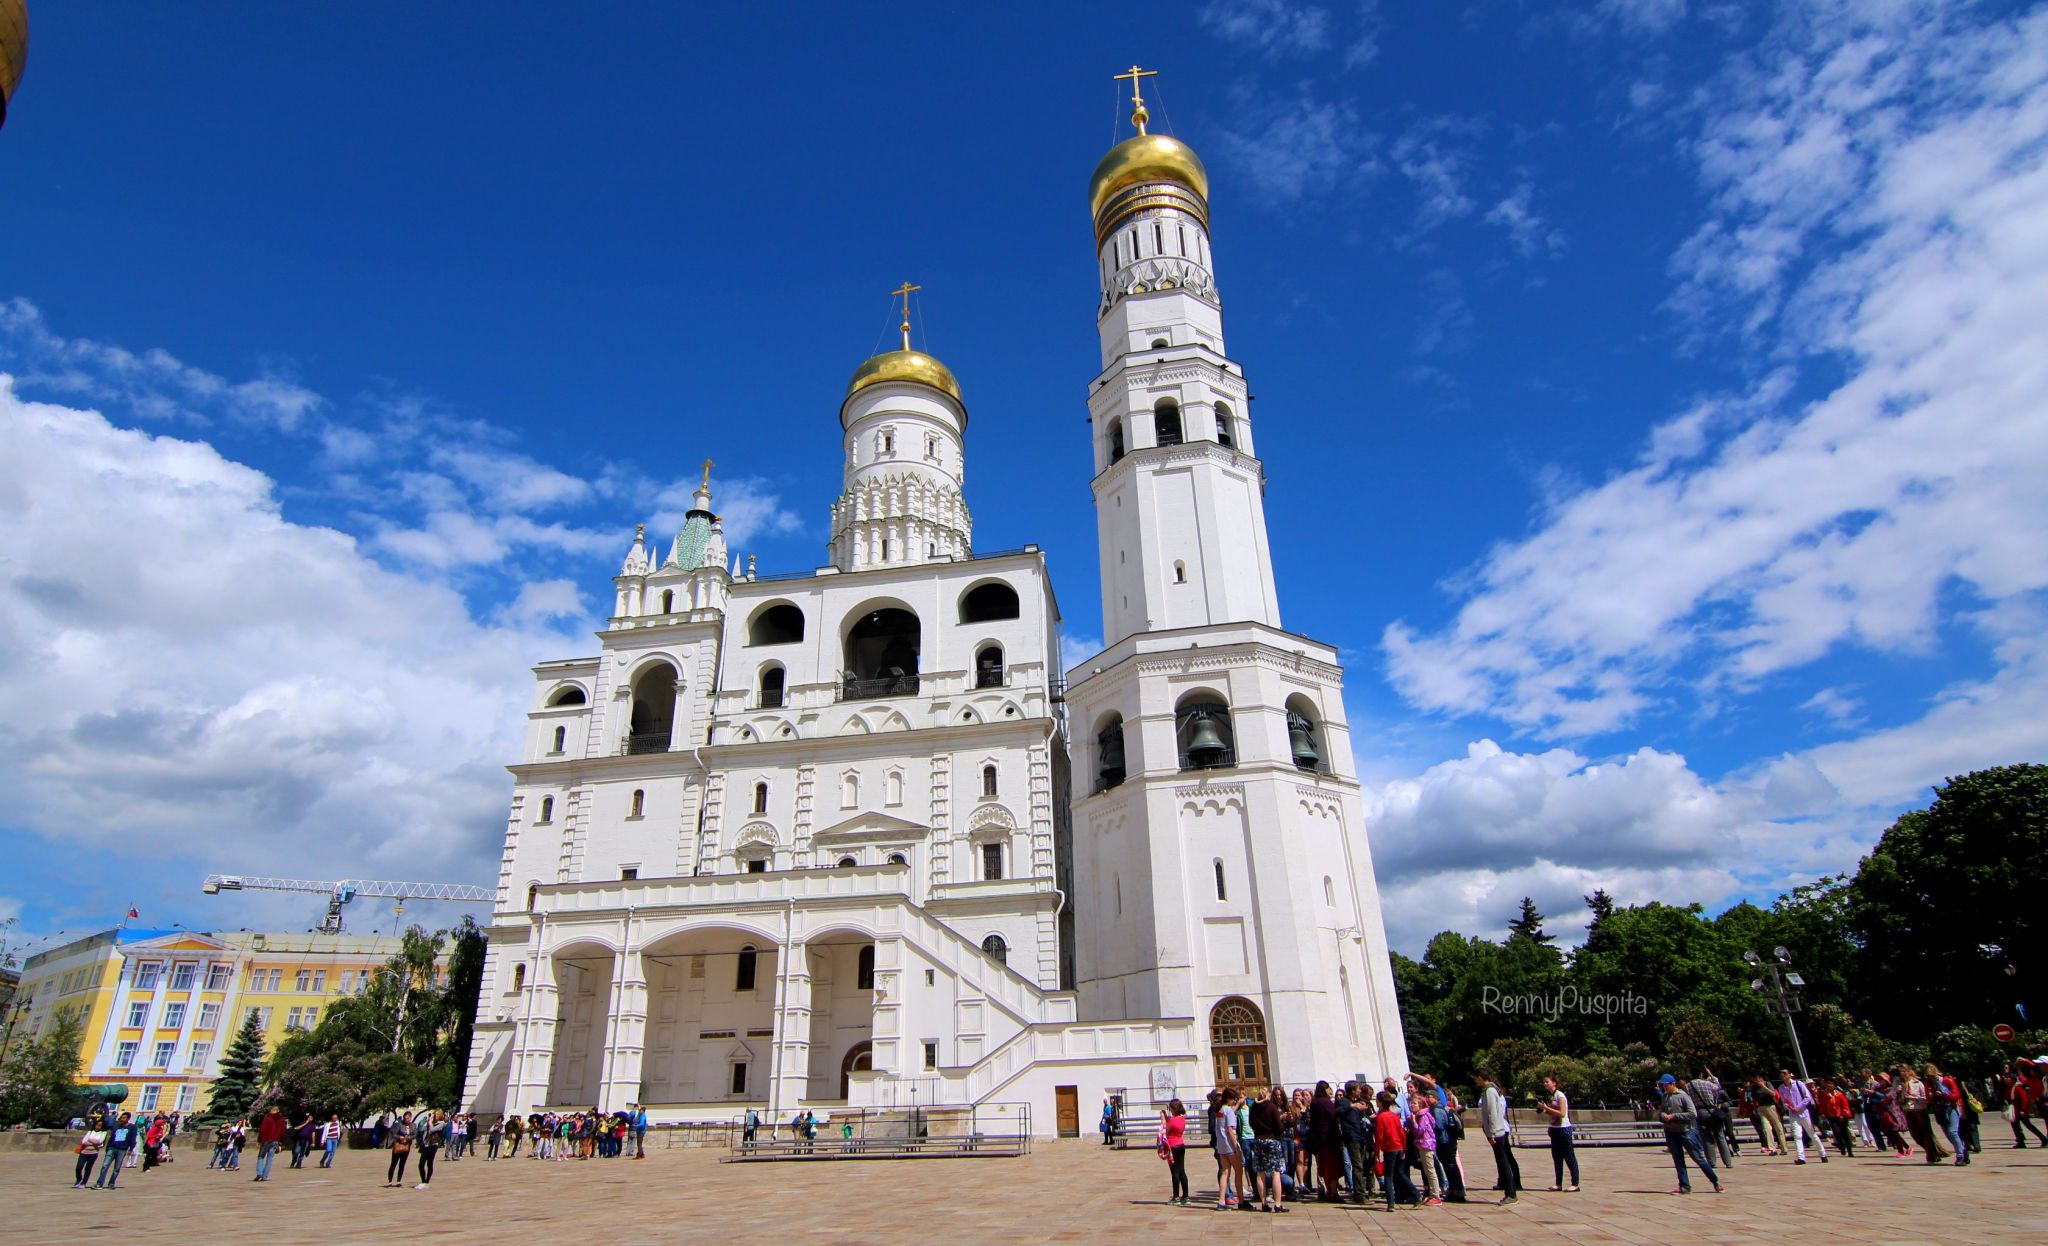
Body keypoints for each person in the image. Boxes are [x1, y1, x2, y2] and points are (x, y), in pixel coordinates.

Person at [1657, 1073, 1722, 1195]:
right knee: (1678, 1160)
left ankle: (1715, 1181)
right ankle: (1684, 1186)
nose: (1664, 1088)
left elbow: (1693, 1113)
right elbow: (1662, 1111)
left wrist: (1675, 1116)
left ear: (1673, 1084)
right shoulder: (1665, 1096)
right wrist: (1662, 1116)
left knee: (1698, 1158)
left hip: (1686, 1131)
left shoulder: (1683, 1096)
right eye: (1663, 1086)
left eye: (1666, 1086)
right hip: (1671, 1132)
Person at [1473, 1070, 1518, 1204]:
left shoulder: (1490, 1091)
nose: (1476, 1081)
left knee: (1503, 1162)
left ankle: (1511, 1193)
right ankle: (1509, 1191)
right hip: (1497, 1131)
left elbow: (1492, 1113)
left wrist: (1491, 1133)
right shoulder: (1490, 1090)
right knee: (1502, 1162)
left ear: (1481, 1078)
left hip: (1497, 1132)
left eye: (1476, 1078)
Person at [1248, 1083, 1290, 1212]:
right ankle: (1277, 1204)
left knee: (1260, 1173)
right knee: (1275, 1172)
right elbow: (1279, 1126)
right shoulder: (1271, 1107)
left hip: (1259, 1140)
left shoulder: (1253, 1108)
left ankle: (1264, 1203)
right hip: (1272, 1140)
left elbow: (1251, 1123)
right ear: (1268, 1095)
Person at [1537, 1074, 1579, 1191]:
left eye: (1547, 1082)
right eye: (1544, 1082)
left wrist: (1547, 1108)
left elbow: (1562, 1113)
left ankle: (1575, 1184)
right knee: (1557, 1157)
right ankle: (1558, 1183)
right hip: (1554, 1129)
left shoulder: (1560, 1095)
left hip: (1563, 1129)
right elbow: (1553, 1113)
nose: (1545, 1084)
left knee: (1569, 1156)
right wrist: (1543, 1109)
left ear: (1554, 1083)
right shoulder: (1552, 1096)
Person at [1374, 1090, 1414, 1209]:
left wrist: (1377, 1152)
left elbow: (1379, 1136)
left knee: (1388, 1176)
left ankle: (1391, 1203)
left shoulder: (1380, 1117)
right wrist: (1404, 1148)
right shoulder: (1394, 1116)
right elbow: (1401, 1133)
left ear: (1380, 1103)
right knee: (1401, 1173)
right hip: (1399, 1147)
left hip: (1389, 1149)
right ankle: (1416, 1194)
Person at [1777, 1069, 1827, 1164]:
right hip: (1793, 1114)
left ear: (1789, 1074)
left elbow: (1807, 1097)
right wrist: (1789, 1107)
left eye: (1784, 1073)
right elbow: (1783, 1101)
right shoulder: (1781, 1088)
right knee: (1797, 1135)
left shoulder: (1799, 1084)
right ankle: (1801, 1157)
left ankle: (1822, 1154)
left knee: (1812, 1134)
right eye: (1781, 1074)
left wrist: (1799, 1107)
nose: (1782, 1075)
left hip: (1804, 1113)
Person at [1337, 1083, 1375, 1204]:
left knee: (1362, 1166)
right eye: (1358, 1089)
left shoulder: (1358, 1101)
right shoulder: (1345, 1101)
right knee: (1357, 1166)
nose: (1360, 1091)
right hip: (1352, 1137)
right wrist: (1353, 1106)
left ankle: (1361, 1191)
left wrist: (1364, 1110)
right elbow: (1338, 1112)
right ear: (1352, 1090)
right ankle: (1359, 1195)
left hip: (1361, 1137)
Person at [1408, 1087, 1443, 1205]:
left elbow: (1420, 1130)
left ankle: (1436, 1195)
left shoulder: (1422, 1116)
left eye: (1414, 1103)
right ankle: (1432, 1193)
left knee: (1430, 1169)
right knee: (1428, 1170)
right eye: (1411, 1103)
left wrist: (1413, 1122)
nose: (1411, 1105)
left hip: (1426, 1144)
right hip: (1424, 1144)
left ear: (1420, 1104)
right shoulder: (1421, 1115)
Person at [1211, 1089, 1245, 1210]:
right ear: (1229, 1099)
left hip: (1221, 1146)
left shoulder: (1220, 1110)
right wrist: (1236, 1147)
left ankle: (1221, 1200)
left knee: (1225, 1173)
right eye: (1234, 1098)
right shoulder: (1228, 1111)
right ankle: (1241, 1200)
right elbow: (1230, 1130)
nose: (1235, 1100)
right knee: (1238, 1172)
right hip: (1230, 1146)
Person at [1157, 1097, 1189, 1205]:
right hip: (1181, 1144)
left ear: (1174, 1108)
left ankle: (1175, 1197)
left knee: (1174, 1172)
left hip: (1172, 1146)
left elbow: (1165, 1131)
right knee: (1182, 1171)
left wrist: (1163, 1120)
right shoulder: (1182, 1119)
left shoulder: (1172, 1121)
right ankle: (1185, 1196)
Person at [94, 1113, 136, 1189]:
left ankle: (111, 1183)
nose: (122, 1119)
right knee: (105, 1165)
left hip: (122, 1150)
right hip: (112, 1148)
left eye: (124, 1118)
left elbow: (133, 1139)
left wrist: (131, 1149)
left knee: (117, 1168)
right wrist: (107, 1148)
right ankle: (99, 1183)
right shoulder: (116, 1126)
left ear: (128, 1119)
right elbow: (111, 1137)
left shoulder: (132, 1127)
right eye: (122, 1118)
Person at [254, 1106, 287, 1182]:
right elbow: (283, 1132)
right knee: (269, 1159)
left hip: (266, 1140)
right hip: (275, 1141)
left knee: (261, 1157)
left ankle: (259, 1173)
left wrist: (259, 1140)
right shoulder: (282, 1119)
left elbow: (262, 1130)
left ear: (272, 1110)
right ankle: (265, 1176)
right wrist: (281, 1142)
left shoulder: (268, 1118)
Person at [414, 1109, 445, 1188]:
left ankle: (427, 1181)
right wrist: (429, 1121)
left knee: (429, 1163)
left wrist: (430, 1123)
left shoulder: (441, 1123)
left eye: (437, 1114)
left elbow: (432, 1130)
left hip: (433, 1145)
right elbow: (424, 1131)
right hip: (426, 1144)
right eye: (434, 1114)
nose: (435, 1116)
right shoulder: (430, 1122)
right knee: (421, 1164)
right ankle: (423, 1181)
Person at [74, 1121, 108, 1188]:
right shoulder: (90, 1132)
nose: (98, 1126)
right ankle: (79, 1179)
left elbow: (100, 1142)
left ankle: (84, 1182)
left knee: (88, 1168)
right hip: (84, 1152)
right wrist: (95, 1143)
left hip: (93, 1153)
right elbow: (84, 1141)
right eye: (97, 1125)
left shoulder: (103, 1133)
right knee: (78, 1167)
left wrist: (90, 1140)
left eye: (100, 1125)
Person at [384, 1111, 414, 1188]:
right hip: (398, 1146)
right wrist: (399, 1137)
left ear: (410, 1118)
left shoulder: (413, 1125)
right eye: (405, 1118)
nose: (406, 1119)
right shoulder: (399, 1124)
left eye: (408, 1118)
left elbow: (415, 1134)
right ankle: (390, 1182)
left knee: (402, 1164)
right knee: (393, 1164)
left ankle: (398, 1181)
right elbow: (393, 1134)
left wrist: (409, 1138)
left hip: (406, 1146)